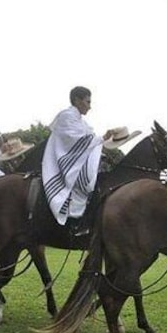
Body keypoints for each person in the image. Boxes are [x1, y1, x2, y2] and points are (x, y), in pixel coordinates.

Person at [42, 86, 120, 233]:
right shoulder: (67, 116)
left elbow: (89, 143)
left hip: (78, 160)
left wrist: (101, 151)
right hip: (65, 164)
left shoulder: (81, 122)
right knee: (89, 179)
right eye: (87, 102)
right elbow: (77, 142)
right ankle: (81, 220)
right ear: (77, 100)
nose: (90, 107)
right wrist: (102, 138)